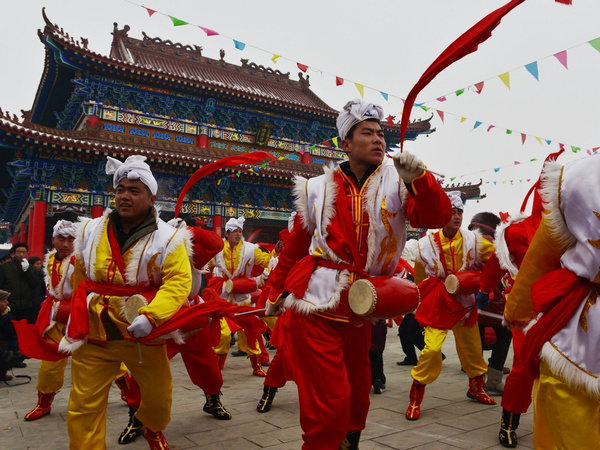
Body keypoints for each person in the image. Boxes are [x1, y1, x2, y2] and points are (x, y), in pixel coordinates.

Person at [264, 98, 452, 449]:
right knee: (328, 404)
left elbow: (434, 219)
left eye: (382, 134)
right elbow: (296, 247)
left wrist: (421, 181)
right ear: (345, 144)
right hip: (316, 305)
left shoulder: (399, 182)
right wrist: (274, 292)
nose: (379, 139)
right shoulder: (316, 189)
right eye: (368, 133)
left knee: (357, 398)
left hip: (363, 307)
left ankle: (348, 443)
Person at [62, 155, 192, 449]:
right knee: (83, 405)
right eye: (120, 189)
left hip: (143, 333)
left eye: (134, 190)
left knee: (159, 401)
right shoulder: (88, 230)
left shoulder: (170, 238)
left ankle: (151, 425)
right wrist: (78, 311)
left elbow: (178, 282)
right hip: (95, 332)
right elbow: (80, 276)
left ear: (151, 198)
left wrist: (153, 316)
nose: (124, 196)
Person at [504, 154, 600, 449]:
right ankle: (508, 422)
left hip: (561, 308)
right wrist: (514, 308)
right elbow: (536, 261)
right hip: (559, 309)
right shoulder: (514, 231)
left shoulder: (579, 177)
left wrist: (516, 309)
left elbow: (541, 256)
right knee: (522, 371)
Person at [406, 192, 496, 421]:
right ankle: (416, 395)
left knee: (473, 349)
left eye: (459, 212)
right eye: (451, 212)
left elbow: (496, 259)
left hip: (464, 301)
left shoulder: (474, 240)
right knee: (432, 349)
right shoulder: (424, 244)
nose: (456, 217)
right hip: (438, 300)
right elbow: (418, 278)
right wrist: (422, 298)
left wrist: (487, 283)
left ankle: (476, 388)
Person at [207, 216, 279, 377]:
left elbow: (268, 261)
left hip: (242, 298)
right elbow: (204, 264)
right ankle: (218, 366)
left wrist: (276, 253)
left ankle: (257, 366)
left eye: (240, 231)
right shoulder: (217, 250)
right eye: (235, 232)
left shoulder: (250, 249)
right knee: (224, 334)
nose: (238, 234)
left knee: (251, 333)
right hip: (223, 299)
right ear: (227, 233)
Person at [468, 212, 512, 395]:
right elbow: (501, 267)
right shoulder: (491, 244)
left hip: (469, 296)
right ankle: (493, 378)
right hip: (489, 297)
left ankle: (475, 379)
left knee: (474, 338)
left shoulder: (467, 241)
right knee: (505, 333)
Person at [0, 243, 39, 323]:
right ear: (14, 253)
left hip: (27, 305)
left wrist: (26, 271)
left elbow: (35, 284)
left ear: (27, 253)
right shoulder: (5, 267)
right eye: (19, 252)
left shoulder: (31, 268)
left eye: (24, 252)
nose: (21, 254)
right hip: (10, 304)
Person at [0, 289, 26, 381]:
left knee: (8, 349)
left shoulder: (6, 314)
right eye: (4, 300)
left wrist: (16, 351)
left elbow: (12, 334)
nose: (7, 303)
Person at [28, 256, 46, 322]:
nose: (39, 266)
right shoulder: (27, 275)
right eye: (37, 264)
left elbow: (43, 290)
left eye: (40, 264)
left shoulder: (42, 275)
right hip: (28, 302)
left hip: (37, 301)